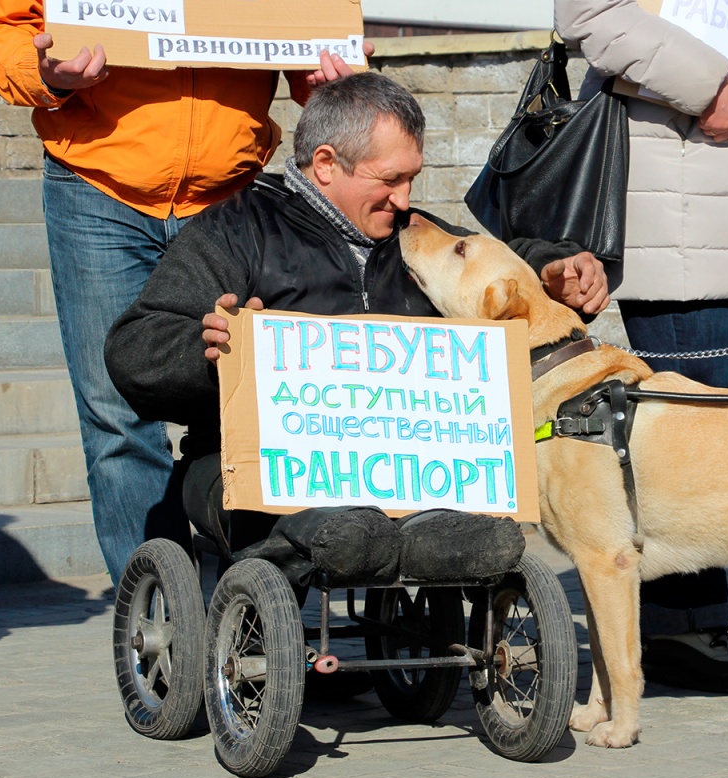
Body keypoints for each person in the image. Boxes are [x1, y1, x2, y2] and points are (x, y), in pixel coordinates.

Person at [104, 72, 609, 587]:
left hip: (406, 471)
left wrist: (555, 270)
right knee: (340, 530)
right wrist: (203, 349)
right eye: (389, 180)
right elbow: (134, 348)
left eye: (411, 178)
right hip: (252, 468)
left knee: (466, 534)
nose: (404, 198)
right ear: (325, 164)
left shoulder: (410, 239)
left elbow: (490, 261)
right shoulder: (236, 231)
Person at [0, 0, 359, 582]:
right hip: (98, 185)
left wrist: (323, 75)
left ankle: (255, 623)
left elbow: (301, 19)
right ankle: (158, 633)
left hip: (230, 187)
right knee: (118, 419)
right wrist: (43, 74)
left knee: (261, 404)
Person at [555, 0, 728, 693]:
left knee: (705, 431)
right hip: (685, 212)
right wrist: (710, 87)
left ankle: (680, 624)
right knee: (686, 437)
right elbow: (588, 14)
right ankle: (680, 628)